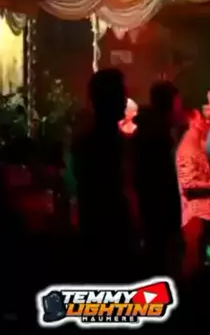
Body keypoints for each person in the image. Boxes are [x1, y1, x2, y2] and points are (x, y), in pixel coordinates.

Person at [72, 69, 139, 282]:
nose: (125, 101)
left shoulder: (88, 141)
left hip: (103, 238)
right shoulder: (100, 143)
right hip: (108, 240)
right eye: (121, 94)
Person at [133, 81, 184, 278]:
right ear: (168, 106)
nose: (180, 111)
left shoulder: (153, 133)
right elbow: (160, 184)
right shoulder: (157, 138)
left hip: (153, 218)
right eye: (178, 105)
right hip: (157, 219)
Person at [176, 108, 210, 281]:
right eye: (201, 118)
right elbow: (188, 184)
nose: (204, 121)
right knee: (193, 260)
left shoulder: (195, 144)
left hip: (203, 211)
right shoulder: (188, 148)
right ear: (192, 121)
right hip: (194, 213)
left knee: (200, 258)